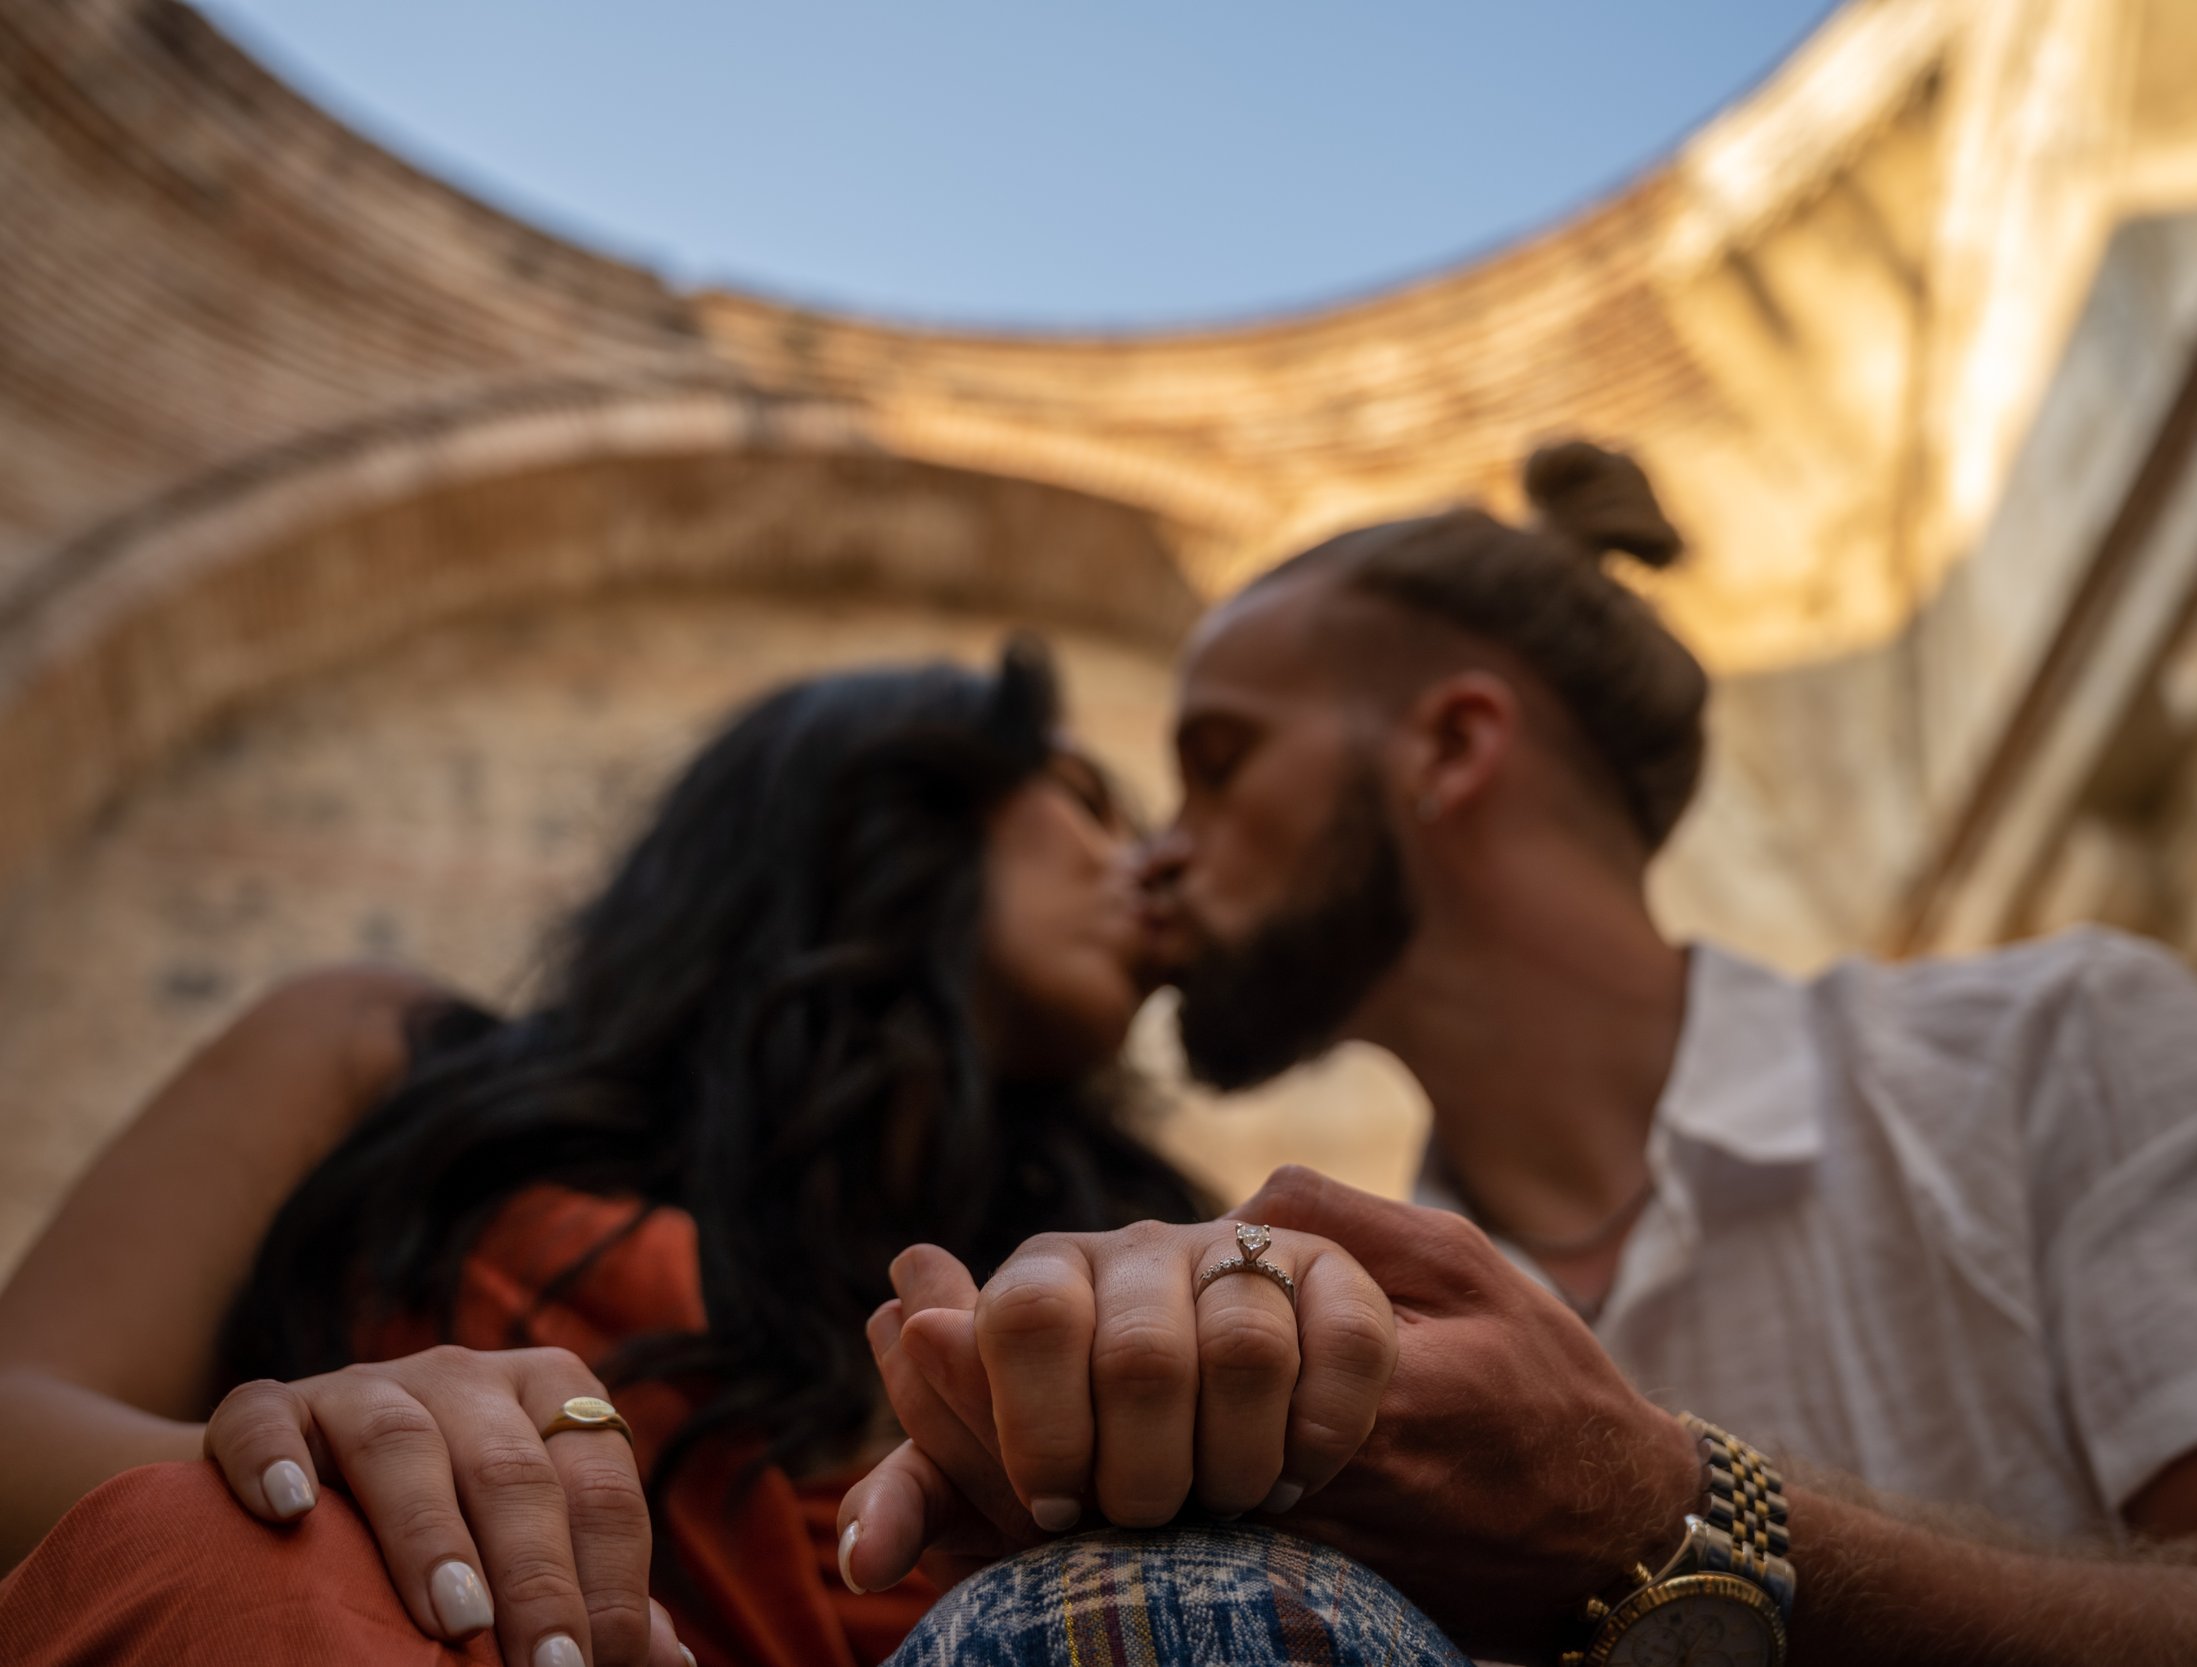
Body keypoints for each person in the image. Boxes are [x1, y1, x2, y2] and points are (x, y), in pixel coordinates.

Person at [844, 441, 2197, 1664]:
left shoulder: (2046, 1052)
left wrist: (1675, 1518)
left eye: (1217, 764)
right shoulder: (1352, 1327)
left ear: (1453, 743)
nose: (1157, 854)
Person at [0, 644, 1329, 1667]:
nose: (1152, 869)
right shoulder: (378, 1059)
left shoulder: (1099, 1274)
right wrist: (292, 1461)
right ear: (883, 794)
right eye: (1089, 801)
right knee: (224, 1556)